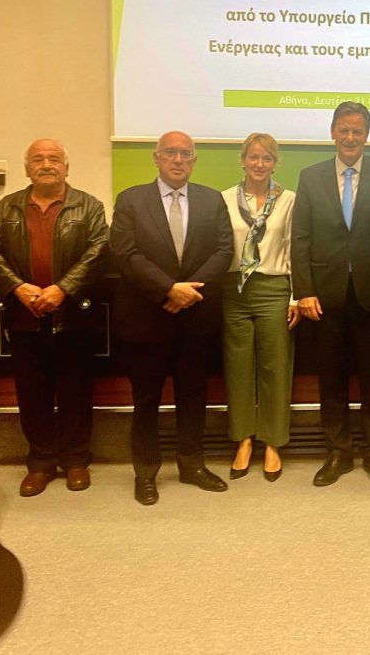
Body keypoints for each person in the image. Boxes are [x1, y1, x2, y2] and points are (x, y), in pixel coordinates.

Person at [110, 131, 234, 505]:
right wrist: (168, 289)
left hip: (196, 317)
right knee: (146, 400)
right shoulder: (131, 199)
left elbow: (224, 250)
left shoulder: (212, 200)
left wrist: (187, 293)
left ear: (194, 160)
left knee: (193, 397)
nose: (178, 160)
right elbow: (125, 253)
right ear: (156, 157)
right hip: (146, 317)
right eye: (170, 153)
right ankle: (146, 472)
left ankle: (191, 465)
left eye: (185, 154)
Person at [0, 139, 109, 496]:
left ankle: (75, 460)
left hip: (72, 315)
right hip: (24, 315)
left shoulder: (89, 206)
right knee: (31, 392)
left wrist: (62, 289)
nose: (47, 164)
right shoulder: (7, 207)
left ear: (66, 168)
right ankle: (40, 463)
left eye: (54, 158)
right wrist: (18, 287)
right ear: (27, 169)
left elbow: (99, 250)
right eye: (38, 159)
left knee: (75, 391)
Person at [291, 102, 370, 487]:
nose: (350, 137)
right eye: (344, 130)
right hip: (325, 298)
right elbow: (300, 237)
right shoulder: (310, 177)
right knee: (331, 379)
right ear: (332, 132)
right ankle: (338, 452)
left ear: (367, 135)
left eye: (357, 131)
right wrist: (304, 290)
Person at [221, 132, 299, 482]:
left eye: (266, 158)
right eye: (253, 157)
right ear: (242, 160)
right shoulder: (224, 199)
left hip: (274, 289)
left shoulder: (289, 200)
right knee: (238, 368)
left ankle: (273, 442)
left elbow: (295, 248)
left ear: (275, 163)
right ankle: (243, 440)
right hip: (235, 290)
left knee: (275, 368)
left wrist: (296, 295)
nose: (259, 163)